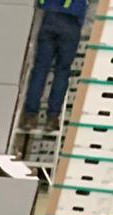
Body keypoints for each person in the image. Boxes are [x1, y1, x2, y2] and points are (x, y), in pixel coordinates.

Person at [20, 0, 88, 132]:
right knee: (62, 71)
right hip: (72, 21)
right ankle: (52, 118)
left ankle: (29, 116)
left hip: (49, 16)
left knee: (40, 69)